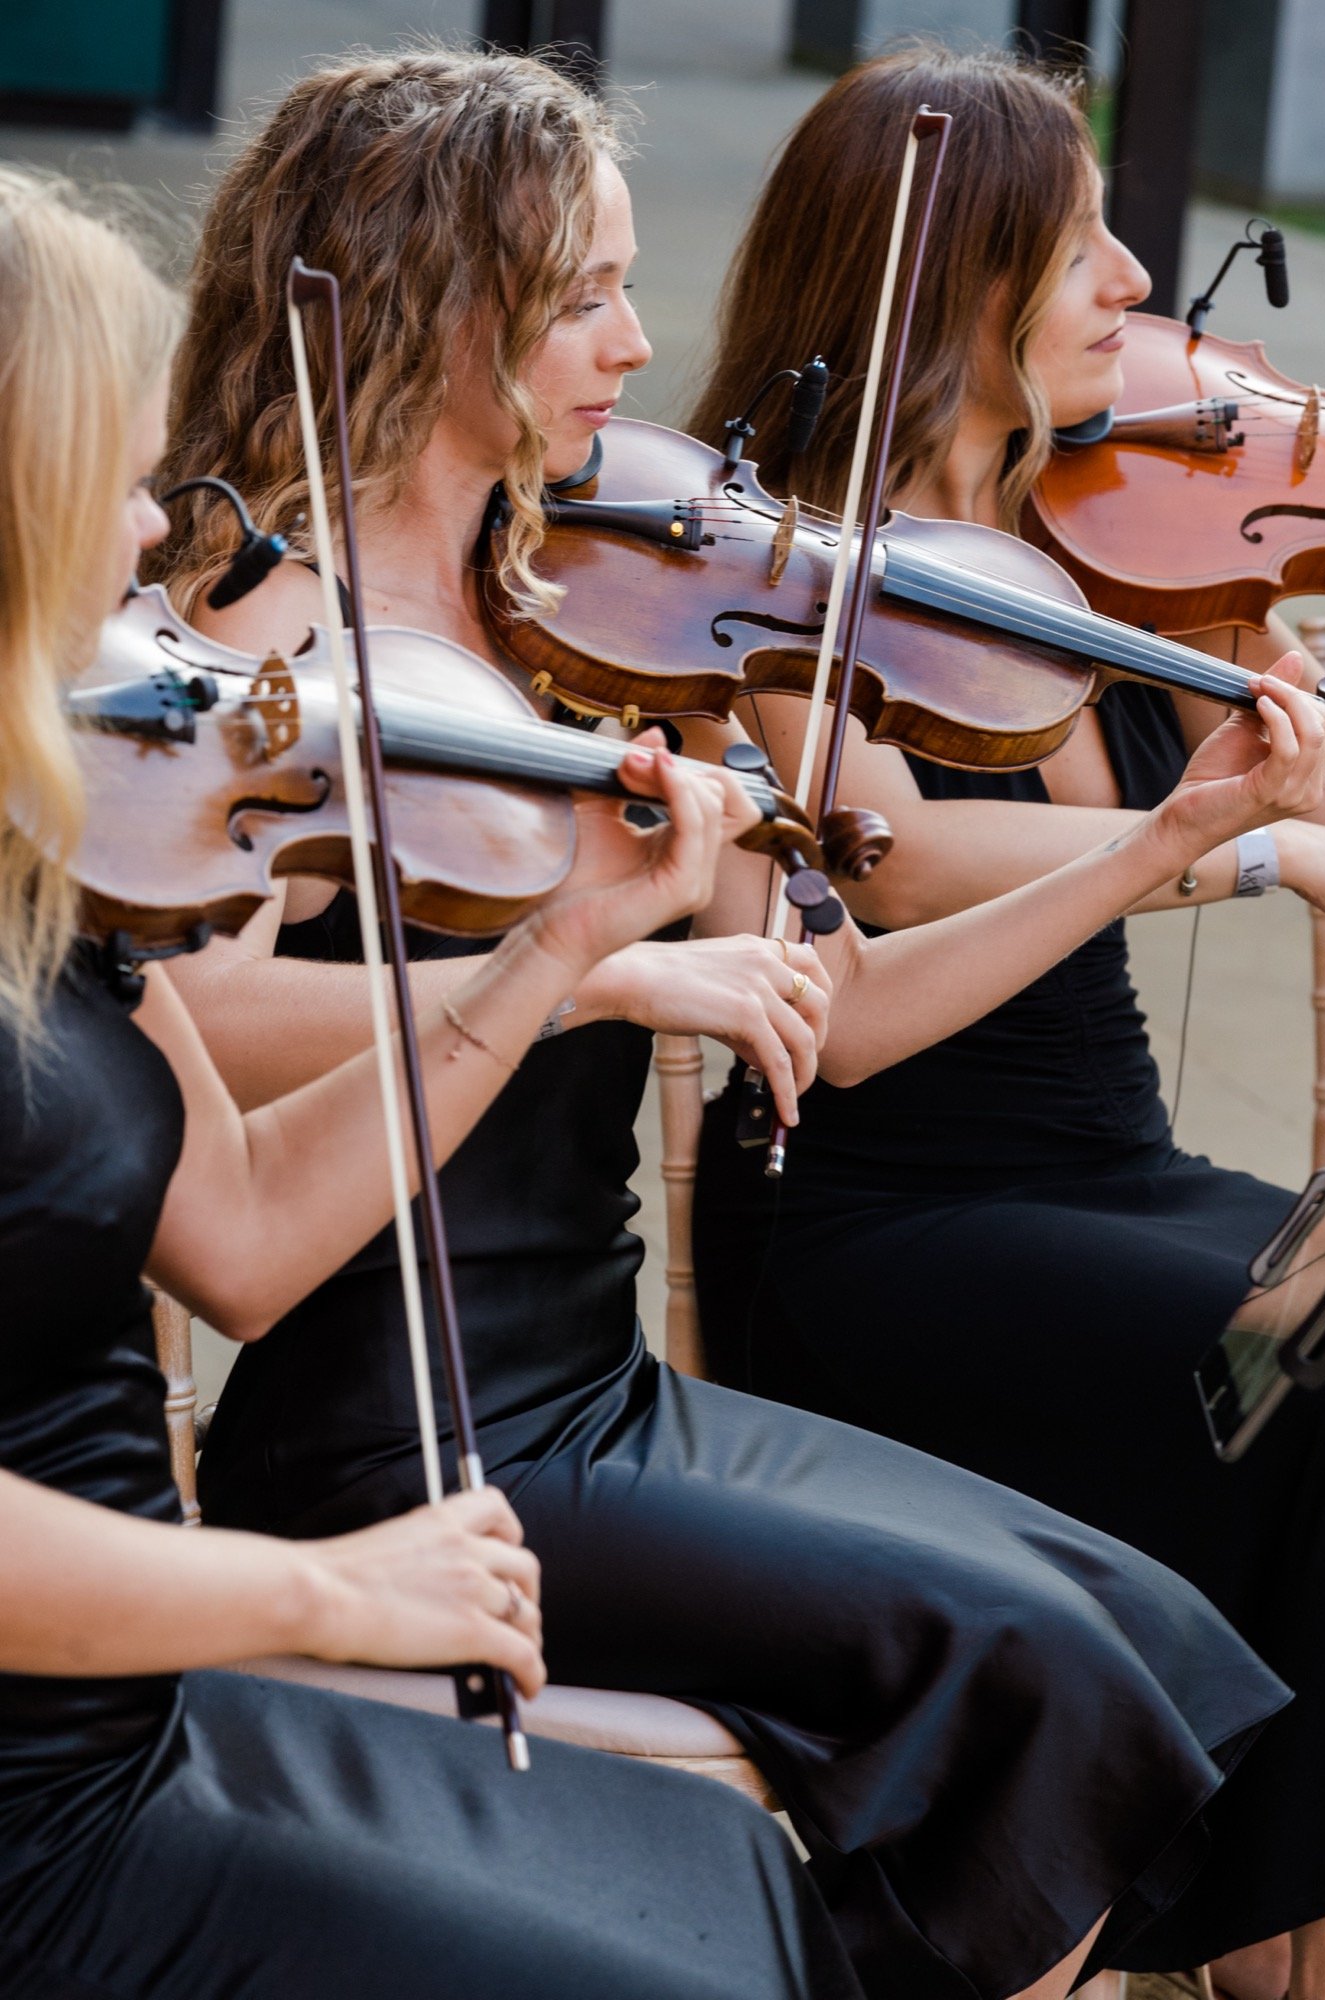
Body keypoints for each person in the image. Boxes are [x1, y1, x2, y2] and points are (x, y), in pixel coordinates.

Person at [153, 47, 1325, 2000]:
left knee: (1131, 1646)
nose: (641, 340)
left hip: (596, 1384)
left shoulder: (576, 608)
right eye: (585, 294)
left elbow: (844, 1011)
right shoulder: (273, 643)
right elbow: (189, 1010)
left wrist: (1171, 839)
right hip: (406, 1435)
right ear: (441, 306)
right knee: (1032, 1700)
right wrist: (574, 973)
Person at [0, 166, 870, 2000]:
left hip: (138, 1732)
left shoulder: (55, 852)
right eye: (128, 483)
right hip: (40, 1825)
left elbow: (235, 1236)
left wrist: (560, 953)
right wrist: (333, 1593)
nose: (163, 537)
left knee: (727, 1879)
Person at [686, 45, 1325, 2000]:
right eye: (1081, 251)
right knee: (1309, 1378)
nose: (1144, 284)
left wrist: (1274, 712)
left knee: (1324, 1328)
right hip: (882, 1218)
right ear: (956, 282)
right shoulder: (769, 566)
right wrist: (1203, 838)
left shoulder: (1122, 535)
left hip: (1104, 1166)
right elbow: (870, 857)